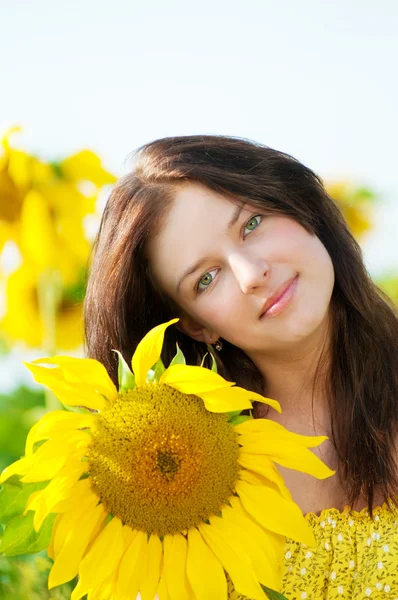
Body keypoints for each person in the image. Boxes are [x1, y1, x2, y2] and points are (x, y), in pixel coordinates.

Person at [83, 135, 398, 599]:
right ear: (194, 325)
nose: (252, 275)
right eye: (206, 280)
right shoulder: (181, 485)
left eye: (252, 223)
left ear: (299, 206)